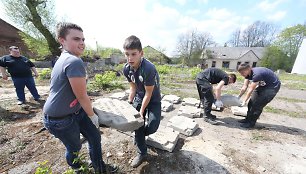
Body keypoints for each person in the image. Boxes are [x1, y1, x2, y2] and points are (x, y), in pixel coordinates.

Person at [43, 22, 117, 173]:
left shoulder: (65, 58)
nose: (82, 43)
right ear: (62, 40)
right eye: (76, 39)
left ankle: (99, 167)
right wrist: (92, 115)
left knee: (95, 137)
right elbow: (82, 96)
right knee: (74, 147)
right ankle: (78, 168)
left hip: (76, 111)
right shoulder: (73, 61)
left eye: (83, 39)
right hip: (61, 119)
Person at [123, 35, 161, 168]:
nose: (130, 58)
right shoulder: (126, 69)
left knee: (153, 126)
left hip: (153, 99)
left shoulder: (148, 68)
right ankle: (142, 151)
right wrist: (129, 102)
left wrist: (141, 111)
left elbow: (149, 93)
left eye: (133, 54)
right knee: (138, 124)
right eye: (127, 54)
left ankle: (139, 136)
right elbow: (133, 87)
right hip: (140, 97)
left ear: (141, 53)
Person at [237, 63, 281, 128]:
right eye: (241, 73)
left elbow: (250, 89)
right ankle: (247, 119)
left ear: (249, 69)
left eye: (243, 73)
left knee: (257, 105)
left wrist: (244, 101)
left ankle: (251, 123)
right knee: (251, 102)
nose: (242, 75)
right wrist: (238, 97)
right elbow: (245, 86)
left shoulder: (257, 74)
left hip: (272, 87)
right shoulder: (248, 74)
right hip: (263, 85)